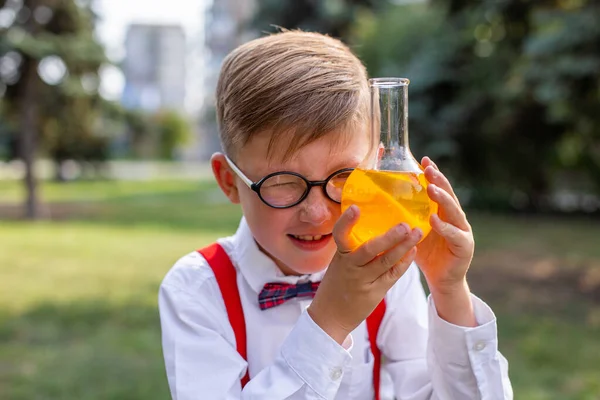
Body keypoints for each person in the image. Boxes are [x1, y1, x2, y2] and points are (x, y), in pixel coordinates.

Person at [159, 30, 513, 400]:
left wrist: (449, 290)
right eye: (282, 181)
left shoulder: (389, 271)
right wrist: (330, 321)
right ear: (229, 181)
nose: (315, 212)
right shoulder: (197, 291)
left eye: (343, 177)